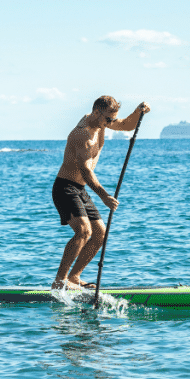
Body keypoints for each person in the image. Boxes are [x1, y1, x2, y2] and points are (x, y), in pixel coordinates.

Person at [51, 95, 150, 290]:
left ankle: (74, 277)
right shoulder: (82, 135)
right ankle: (59, 281)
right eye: (108, 119)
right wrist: (104, 196)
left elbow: (126, 125)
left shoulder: (101, 123)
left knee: (99, 234)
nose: (111, 123)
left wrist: (138, 112)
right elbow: (85, 171)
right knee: (83, 231)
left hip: (80, 189)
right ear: (97, 112)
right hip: (65, 188)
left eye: (112, 119)